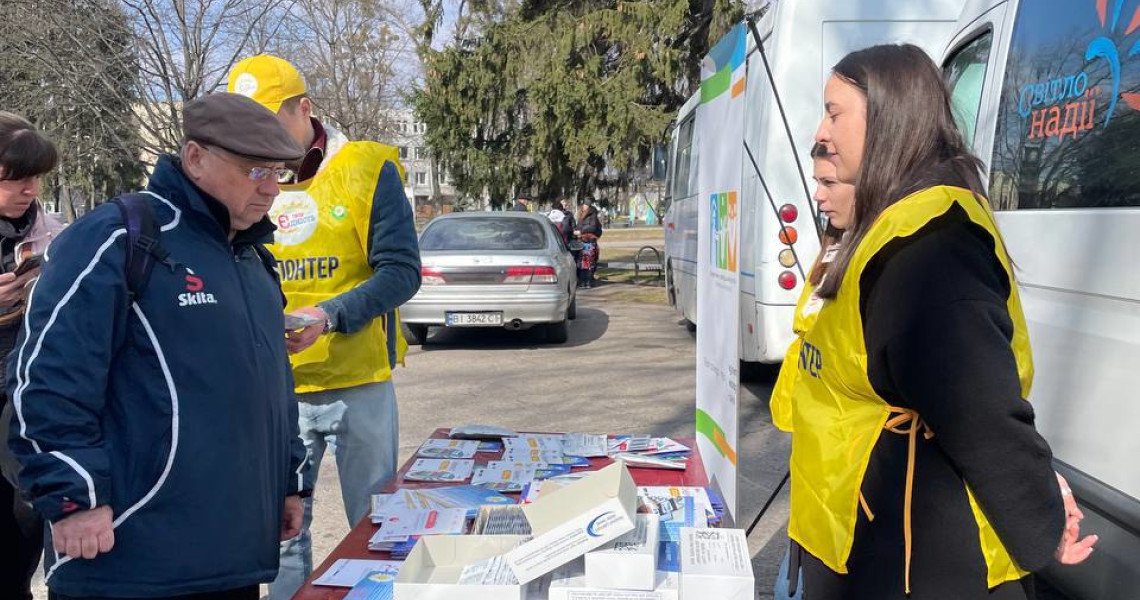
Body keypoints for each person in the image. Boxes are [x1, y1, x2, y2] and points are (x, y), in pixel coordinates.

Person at [769, 44, 1096, 600]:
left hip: (922, 563)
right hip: (860, 541)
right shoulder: (885, 228)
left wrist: (1040, 522)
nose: (821, 132)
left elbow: (983, 414)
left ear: (888, 117)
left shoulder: (931, 246)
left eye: (834, 111)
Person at [6, 93, 308, 600]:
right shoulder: (120, 236)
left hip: (231, 558)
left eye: (279, 172)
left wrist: (287, 478)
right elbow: (47, 379)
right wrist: (74, 498)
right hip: (127, 559)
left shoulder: (253, 258)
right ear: (194, 157)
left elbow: (270, 383)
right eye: (256, 171)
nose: (273, 189)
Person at [227, 54, 421, 600]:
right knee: (281, 534)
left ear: (304, 109)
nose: (257, 134)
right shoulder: (236, 175)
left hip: (356, 380)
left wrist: (329, 316)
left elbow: (402, 273)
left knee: (374, 526)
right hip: (274, 386)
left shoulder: (366, 168)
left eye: (268, 117)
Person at [770, 142, 849, 600]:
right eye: (816, 182)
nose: (817, 195)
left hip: (841, 461)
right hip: (813, 447)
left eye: (828, 183)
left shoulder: (869, 256)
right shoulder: (832, 249)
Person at [0, 112, 63, 600]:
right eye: (17, 178)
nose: (30, 189)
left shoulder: (53, 231)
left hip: (23, 386)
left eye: (37, 177)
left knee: (25, 511)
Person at [575, 201, 603, 287]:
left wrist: (581, 231)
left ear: (587, 206)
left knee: (589, 263)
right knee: (583, 263)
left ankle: (588, 281)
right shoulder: (582, 215)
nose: (582, 206)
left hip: (589, 241)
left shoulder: (592, 215)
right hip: (583, 241)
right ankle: (584, 281)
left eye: (584, 205)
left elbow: (593, 227)